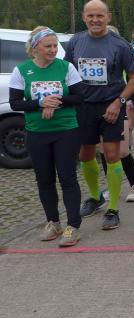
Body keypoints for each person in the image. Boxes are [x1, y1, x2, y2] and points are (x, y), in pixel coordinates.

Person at [8, 27, 88, 247]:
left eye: (55, 46)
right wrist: (40, 103)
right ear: (35, 48)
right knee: (44, 179)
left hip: (65, 130)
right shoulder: (22, 70)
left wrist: (54, 101)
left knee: (67, 178)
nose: (53, 50)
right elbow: (15, 103)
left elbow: (80, 96)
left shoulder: (66, 67)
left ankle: (73, 226)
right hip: (37, 133)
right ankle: (53, 222)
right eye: (48, 46)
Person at [64, 0, 134, 231]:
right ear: (84, 17)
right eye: (91, 16)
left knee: (112, 155)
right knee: (85, 154)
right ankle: (96, 197)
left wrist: (119, 102)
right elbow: (67, 72)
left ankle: (113, 209)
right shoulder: (75, 42)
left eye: (100, 15)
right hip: (83, 106)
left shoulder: (120, 45)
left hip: (111, 105)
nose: (95, 20)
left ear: (108, 17)